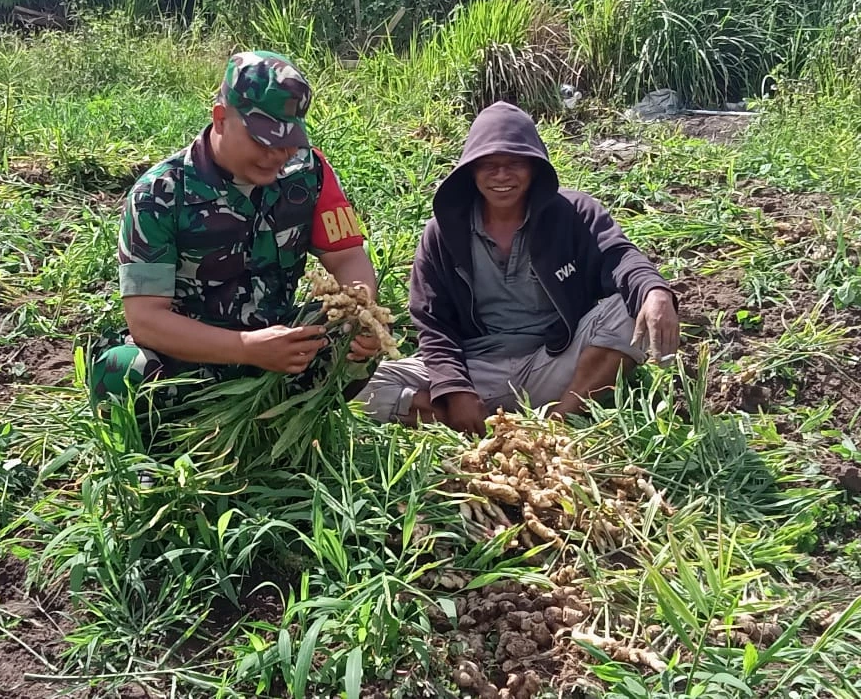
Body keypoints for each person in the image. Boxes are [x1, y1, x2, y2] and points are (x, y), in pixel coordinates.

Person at [354, 102, 679, 434]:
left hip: (554, 360)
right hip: (477, 368)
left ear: (535, 168)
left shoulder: (573, 213)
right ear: (471, 171)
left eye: (515, 164)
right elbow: (433, 324)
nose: (501, 176)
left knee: (629, 306)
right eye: (489, 166)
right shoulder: (443, 232)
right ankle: (478, 422)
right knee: (363, 386)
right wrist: (455, 390)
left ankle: (559, 424)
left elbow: (620, 257)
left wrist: (655, 292)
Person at [90, 50, 382, 410]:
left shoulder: (309, 175)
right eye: (263, 139)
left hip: (279, 355)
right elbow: (146, 320)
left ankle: (283, 434)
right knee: (123, 370)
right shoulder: (160, 194)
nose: (277, 154)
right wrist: (247, 348)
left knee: (352, 339)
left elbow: (348, 256)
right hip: (187, 362)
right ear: (221, 119)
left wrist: (362, 313)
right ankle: (164, 454)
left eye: (288, 140)